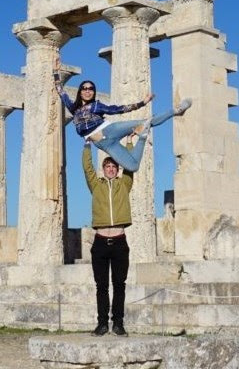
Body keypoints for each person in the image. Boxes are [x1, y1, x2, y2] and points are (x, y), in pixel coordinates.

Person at [54, 62, 192, 172]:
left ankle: (176, 110)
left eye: (91, 89)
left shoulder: (97, 106)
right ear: (80, 91)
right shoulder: (73, 108)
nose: (88, 91)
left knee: (146, 122)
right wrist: (55, 72)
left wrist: (142, 103)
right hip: (105, 144)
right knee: (133, 166)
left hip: (110, 130)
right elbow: (61, 91)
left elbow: (118, 110)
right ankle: (142, 137)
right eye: (85, 88)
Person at [82, 137, 135, 336]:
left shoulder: (125, 185)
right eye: (108, 166)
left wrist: (129, 143)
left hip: (120, 241)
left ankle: (118, 323)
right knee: (101, 286)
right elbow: (87, 168)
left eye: (114, 166)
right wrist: (87, 145)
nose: (111, 169)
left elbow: (130, 166)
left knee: (119, 285)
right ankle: (102, 323)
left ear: (117, 169)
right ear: (103, 169)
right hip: (101, 242)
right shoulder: (96, 186)